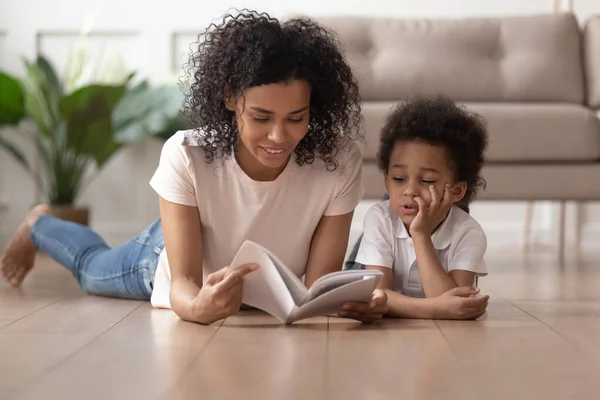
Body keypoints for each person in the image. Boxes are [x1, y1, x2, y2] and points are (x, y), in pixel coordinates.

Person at [0, 10, 388, 324]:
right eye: (261, 117)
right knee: (89, 270)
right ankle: (40, 223)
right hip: (166, 256)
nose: (278, 136)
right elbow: (183, 284)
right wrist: (197, 308)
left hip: (250, 292)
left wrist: (344, 305)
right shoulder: (186, 153)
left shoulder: (339, 162)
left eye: (295, 118)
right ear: (231, 99)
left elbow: (317, 286)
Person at [347, 98, 490, 320]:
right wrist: (433, 308)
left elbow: (454, 302)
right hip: (360, 268)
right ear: (386, 180)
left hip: (442, 222)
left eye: (427, 180)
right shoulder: (379, 218)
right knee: (351, 289)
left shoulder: (469, 233)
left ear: (457, 191)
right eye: (398, 178)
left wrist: (420, 234)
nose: (410, 190)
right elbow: (378, 295)